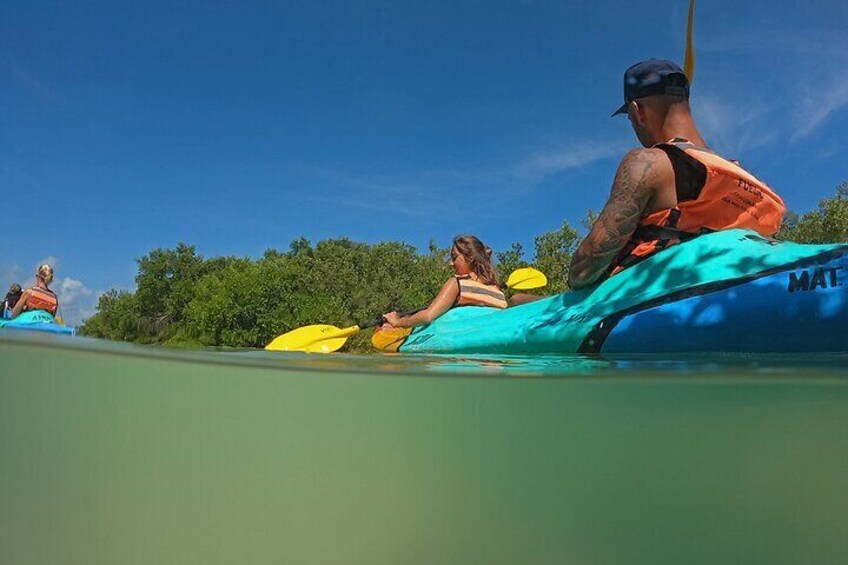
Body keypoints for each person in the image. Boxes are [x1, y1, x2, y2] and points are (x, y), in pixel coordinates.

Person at [568, 59, 786, 290]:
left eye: (630, 118)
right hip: (741, 289)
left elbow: (584, 270)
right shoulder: (748, 180)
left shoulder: (649, 162)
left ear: (637, 111)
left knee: (523, 301)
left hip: (650, 301)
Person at [382, 235, 508, 329]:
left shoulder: (457, 283)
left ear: (470, 258)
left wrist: (397, 322)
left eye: (454, 257)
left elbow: (428, 316)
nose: (450, 263)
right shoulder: (496, 288)